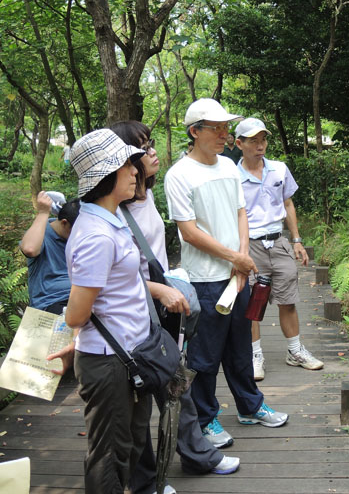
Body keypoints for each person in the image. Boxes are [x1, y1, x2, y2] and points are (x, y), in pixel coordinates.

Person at [109, 121, 240, 493]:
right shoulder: (111, 210)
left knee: (174, 382)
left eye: (150, 144)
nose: (153, 153)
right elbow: (107, 278)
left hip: (158, 310)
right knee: (140, 405)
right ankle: (146, 481)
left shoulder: (145, 195)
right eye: (142, 148)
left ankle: (197, 455)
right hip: (130, 318)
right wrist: (157, 289)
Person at [164, 98, 288, 451]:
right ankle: (206, 420)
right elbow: (188, 231)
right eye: (216, 128)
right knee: (204, 356)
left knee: (240, 347)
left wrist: (243, 258)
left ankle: (251, 406)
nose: (224, 134)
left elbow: (241, 214)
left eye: (225, 127)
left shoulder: (229, 168)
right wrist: (235, 257)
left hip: (238, 275)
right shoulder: (179, 175)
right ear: (195, 132)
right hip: (203, 280)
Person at [64, 129, 150, 493]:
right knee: (109, 456)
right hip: (108, 360)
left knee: (128, 446)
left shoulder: (111, 220)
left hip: (127, 354)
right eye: (127, 165)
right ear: (105, 175)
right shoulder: (97, 235)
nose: (136, 171)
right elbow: (76, 316)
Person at [234, 118, 323, 380]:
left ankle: (295, 351)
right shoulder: (231, 177)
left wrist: (297, 240)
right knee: (253, 302)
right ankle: (255, 355)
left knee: (288, 299)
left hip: (279, 242)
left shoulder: (279, 170)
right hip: (249, 244)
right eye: (253, 140)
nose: (260, 145)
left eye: (263, 139)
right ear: (239, 144)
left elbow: (288, 205)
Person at [19, 192, 80, 314]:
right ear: (64, 223)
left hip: (83, 295)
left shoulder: (81, 237)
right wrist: (43, 213)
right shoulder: (41, 233)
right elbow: (30, 249)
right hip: (53, 302)